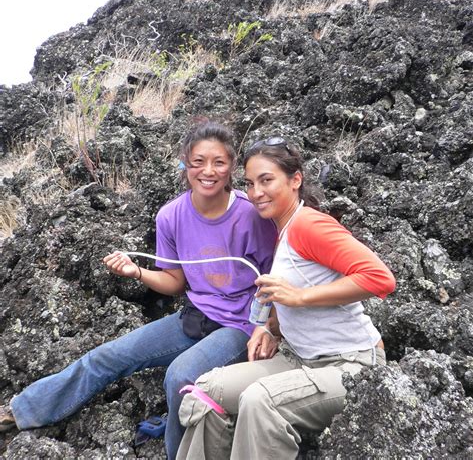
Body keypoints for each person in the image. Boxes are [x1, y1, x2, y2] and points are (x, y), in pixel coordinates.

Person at [0, 122, 277, 460]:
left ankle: (178, 454)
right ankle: (23, 409)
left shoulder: (251, 216)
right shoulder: (171, 216)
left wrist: (268, 328)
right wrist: (137, 272)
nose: (208, 171)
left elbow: (274, 280)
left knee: (180, 375)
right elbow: (175, 282)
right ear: (185, 163)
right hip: (194, 317)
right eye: (198, 161)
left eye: (219, 162)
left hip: (239, 327)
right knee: (108, 356)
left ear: (232, 167)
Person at [176, 136, 396, 460]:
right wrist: (268, 327)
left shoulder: (310, 224)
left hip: (352, 364)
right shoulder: (283, 228)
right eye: (250, 184)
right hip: (297, 359)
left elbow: (380, 278)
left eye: (266, 180)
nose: (256, 193)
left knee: (259, 401)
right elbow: (296, 288)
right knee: (209, 391)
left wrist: (300, 297)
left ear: (295, 180)